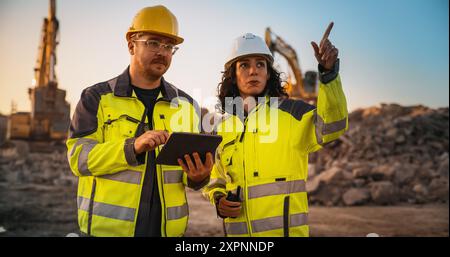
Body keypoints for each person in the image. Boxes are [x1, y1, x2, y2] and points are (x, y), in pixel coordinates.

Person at [66, 5, 213, 237]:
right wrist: (131, 147)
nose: (162, 52)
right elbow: (79, 159)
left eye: (169, 47)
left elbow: (186, 174)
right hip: (108, 232)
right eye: (153, 42)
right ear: (131, 45)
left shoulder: (186, 105)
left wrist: (198, 177)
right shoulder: (97, 97)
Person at [203, 23, 348, 237]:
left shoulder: (293, 113)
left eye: (260, 64)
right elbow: (216, 178)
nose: (253, 70)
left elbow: (333, 125)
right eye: (244, 65)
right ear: (233, 75)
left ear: (268, 73)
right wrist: (218, 198)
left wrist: (328, 75)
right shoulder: (222, 129)